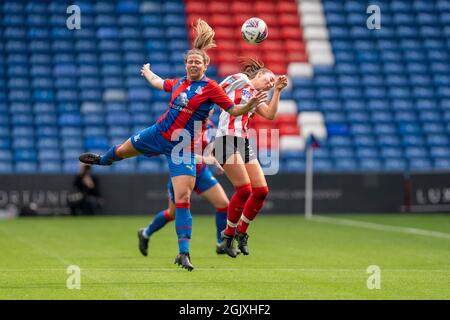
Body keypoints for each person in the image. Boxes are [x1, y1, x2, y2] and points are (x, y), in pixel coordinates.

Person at [79, 20, 267, 271]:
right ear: (186, 64)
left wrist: (250, 104)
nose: (193, 64)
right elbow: (159, 83)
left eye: (197, 62)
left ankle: (185, 252)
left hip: (183, 149)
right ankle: (102, 160)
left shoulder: (211, 88)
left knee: (183, 198)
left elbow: (233, 109)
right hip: (158, 133)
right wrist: (148, 73)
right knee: (122, 151)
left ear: (205, 65)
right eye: (190, 61)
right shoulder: (178, 83)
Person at [214, 57, 288, 258]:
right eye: (270, 79)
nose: (271, 83)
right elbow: (214, 91)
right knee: (245, 189)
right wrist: (205, 112)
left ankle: (241, 232)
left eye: (273, 82)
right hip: (224, 139)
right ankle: (227, 237)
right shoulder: (239, 79)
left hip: (243, 142)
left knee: (261, 191)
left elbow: (270, 115)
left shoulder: (257, 95)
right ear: (259, 74)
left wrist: (278, 91)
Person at [137, 114, 231, 257]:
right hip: (182, 173)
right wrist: (206, 159)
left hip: (201, 173)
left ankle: (221, 244)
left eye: (211, 108)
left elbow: (209, 146)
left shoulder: (210, 126)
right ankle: (145, 233)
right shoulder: (185, 126)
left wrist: (215, 158)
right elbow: (182, 154)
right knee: (172, 213)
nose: (210, 110)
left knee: (223, 204)